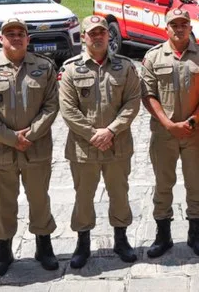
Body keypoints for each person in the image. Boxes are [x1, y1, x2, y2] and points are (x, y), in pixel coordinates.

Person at [0, 18, 59, 276]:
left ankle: (44, 245)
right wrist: (11, 138)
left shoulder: (44, 68)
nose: (16, 37)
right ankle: (3, 249)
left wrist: (30, 134)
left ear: (28, 39)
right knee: (2, 201)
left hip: (36, 147)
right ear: (1, 39)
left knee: (39, 198)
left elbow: (51, 105)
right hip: (0, 149)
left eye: (21, 33)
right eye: (11, 33)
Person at [59, 16, 141, 269]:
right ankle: (82, 243)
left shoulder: (125, 67)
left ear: (108, 35)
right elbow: (68, 109)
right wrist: (94, 134)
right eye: (91, 33)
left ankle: (121, 240)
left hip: (118, 145)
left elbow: (132, 102)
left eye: (101, 32)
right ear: (83, 36)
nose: (97, 37)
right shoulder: (71, 68)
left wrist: (111, 131)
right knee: (83, 197)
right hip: (84, 148)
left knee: (120, 194)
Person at [141, 9, 199, 258]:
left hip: (194, 133)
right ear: (167, 28)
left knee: (196, 185)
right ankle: (163, 235)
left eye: (184, 24)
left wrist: (194, 120)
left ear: (190, 27)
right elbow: (148, 94)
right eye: (174, 25)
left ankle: (196, 234)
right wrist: (168, 124)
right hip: (164, 134)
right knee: (163, 185)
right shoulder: (153, 57)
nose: (179, 29)